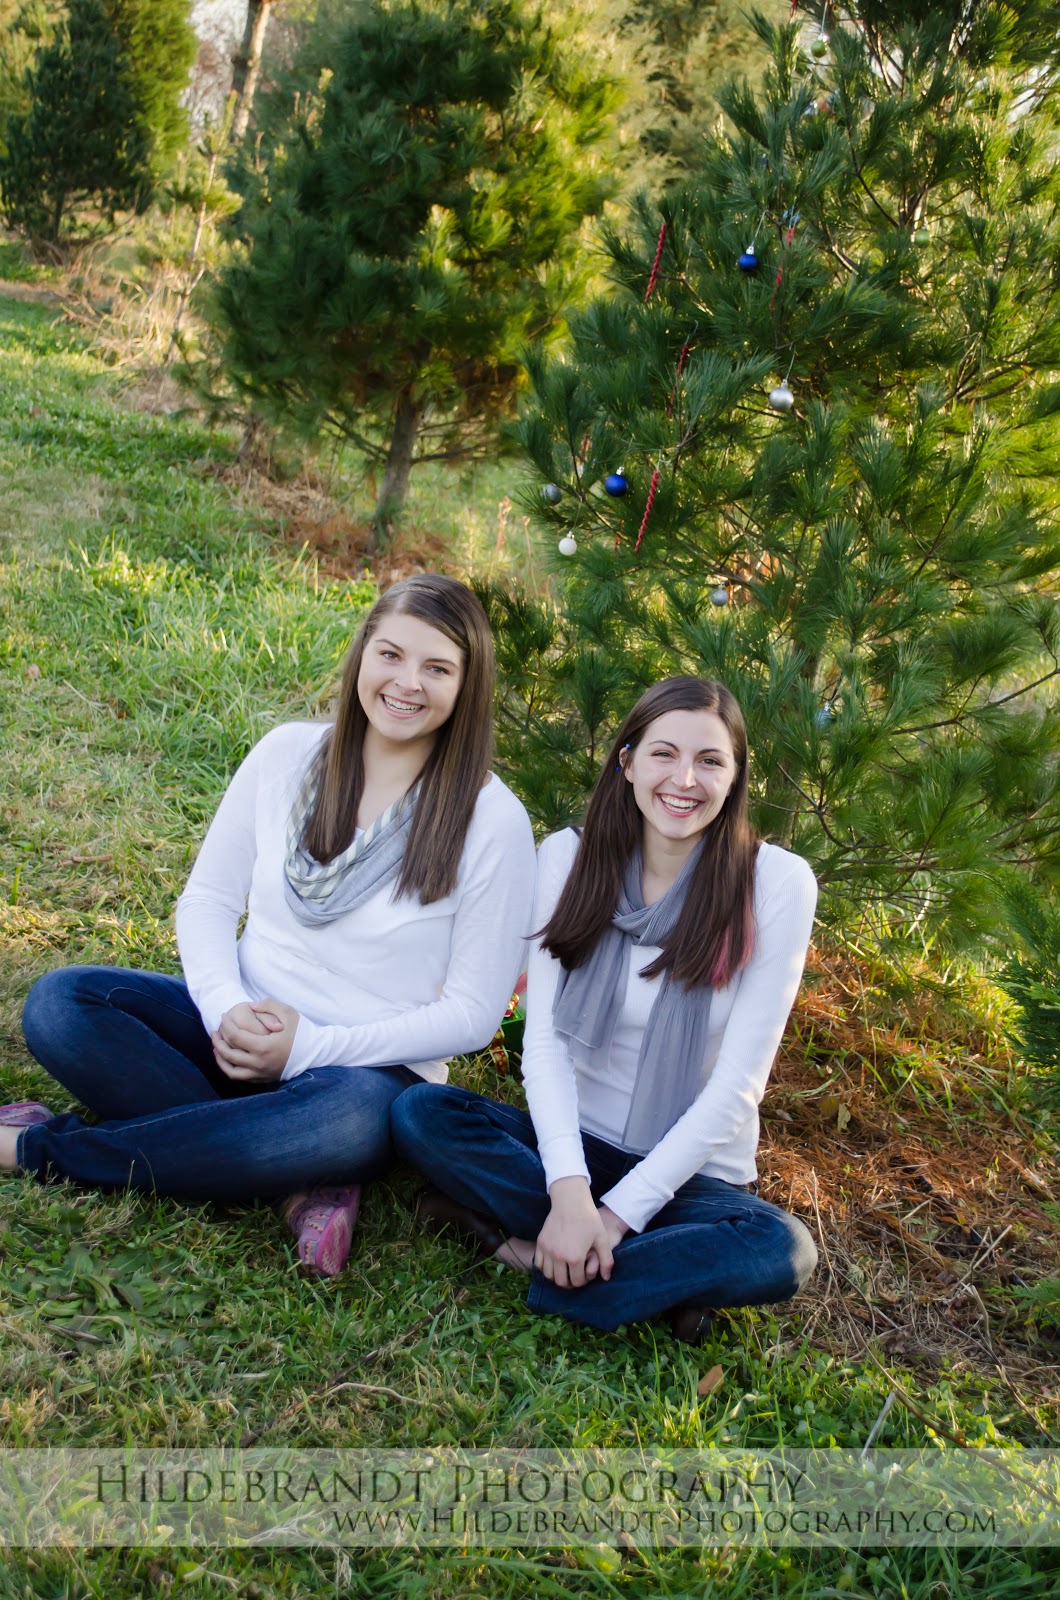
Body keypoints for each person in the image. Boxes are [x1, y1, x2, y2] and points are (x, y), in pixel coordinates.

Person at [2, 574, 536, 1278]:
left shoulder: (492, 819)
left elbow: (470, 1017)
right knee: (64, 1006)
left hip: (364, 1073)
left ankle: (43, 1150)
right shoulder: (288, 756)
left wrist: (312, 1046)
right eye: (391, 655)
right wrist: (227, 1010)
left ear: (468, 685)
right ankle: (293, 1181)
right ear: (361, 656)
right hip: (240, 1027)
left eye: (437, 668)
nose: (407, 683)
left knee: (339, 1124)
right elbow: (207, 903)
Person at [392, 676, 819, 1340]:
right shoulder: (569, 858)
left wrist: (615, 1216)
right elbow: (546, 1046)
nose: (685, 779)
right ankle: (644, 1284)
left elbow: (739, 1088)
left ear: (735, 779)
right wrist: (568, 1190)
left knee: (783, 1250)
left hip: (690, 1174)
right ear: (626, 761)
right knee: (422, 1112)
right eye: (663, 754)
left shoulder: (777, 883)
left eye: (711, 761)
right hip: (575, 1145)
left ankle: (532, 1256)